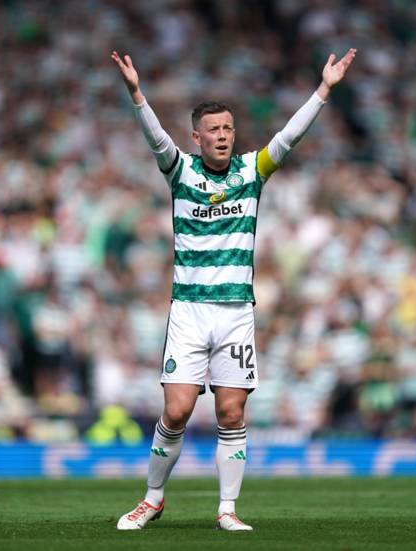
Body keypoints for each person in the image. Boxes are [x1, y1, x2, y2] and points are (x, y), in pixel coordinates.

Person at [111, 47, 356, 531]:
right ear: (196, 137)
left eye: (228, 128)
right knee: (177, 410)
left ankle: (227, 509)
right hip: (189, 310)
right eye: (214, 130)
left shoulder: (251, 172)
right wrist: (137, 93)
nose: (223, 136)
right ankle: (153, 498)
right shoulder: (180, 171)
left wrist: (324, 90)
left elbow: (289, 137)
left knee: (230, 411)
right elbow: (155, 139)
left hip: (236, 312)